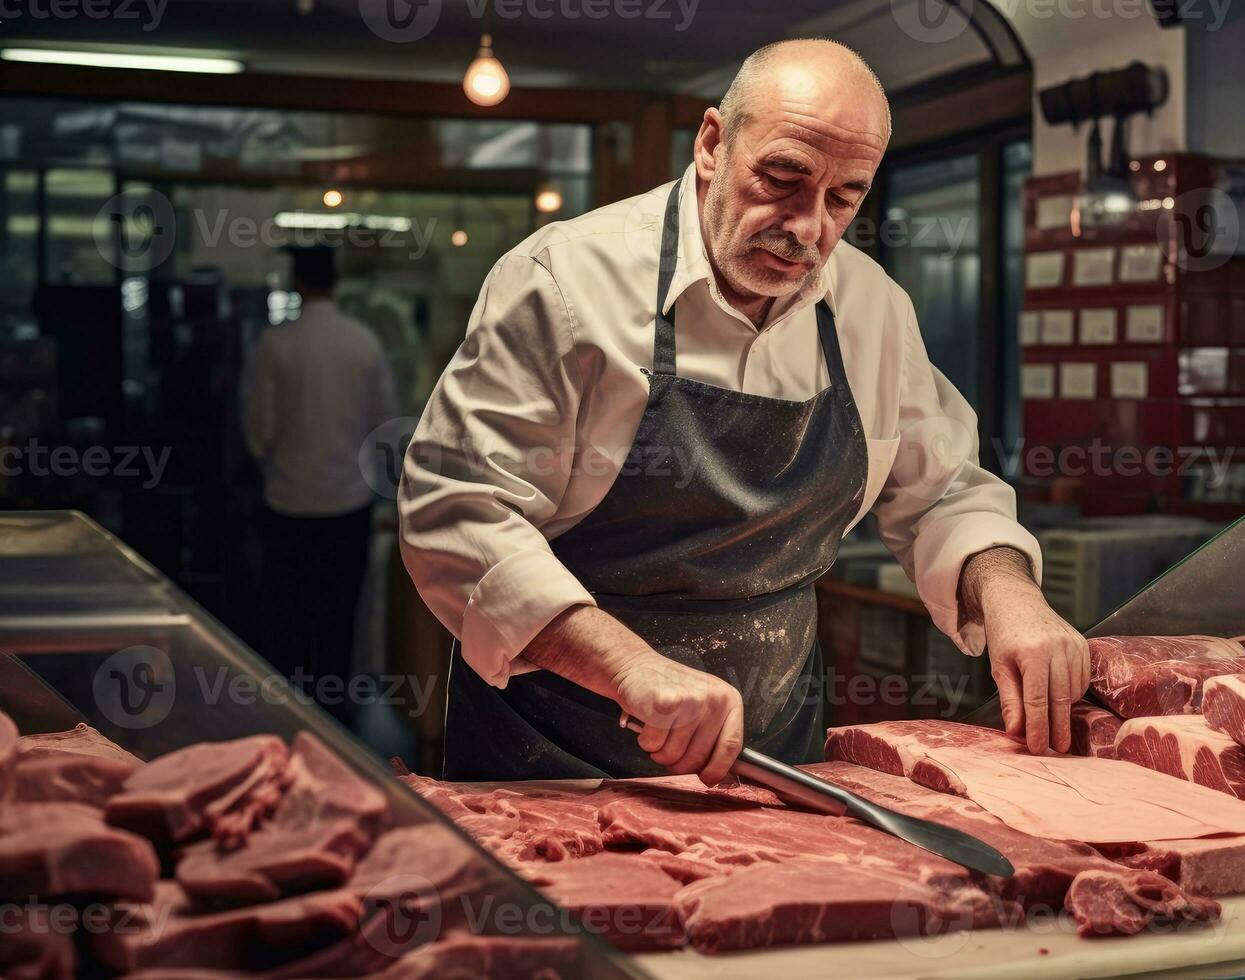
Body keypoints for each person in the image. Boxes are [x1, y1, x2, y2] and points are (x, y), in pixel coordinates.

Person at [400, 39, 1088, 785]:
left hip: (768, 754)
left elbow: (942, 491)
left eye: (843, 198)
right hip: (549, 752)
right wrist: (629, 664)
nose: (806, 227)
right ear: (711, 145)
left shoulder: (871, 307)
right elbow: (459, 512)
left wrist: (1011, 593)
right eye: (782, 179)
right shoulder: (563, 282)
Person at [244, 244, 398, 716]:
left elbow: (258, 431)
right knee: (338, 624)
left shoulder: (274, 344)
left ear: (298, 283)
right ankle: (335, 724)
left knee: (287, 622)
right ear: (335, 282)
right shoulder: (363, 342)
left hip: (287, 504)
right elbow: (386, 424)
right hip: (346, 509)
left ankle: (287, 720)